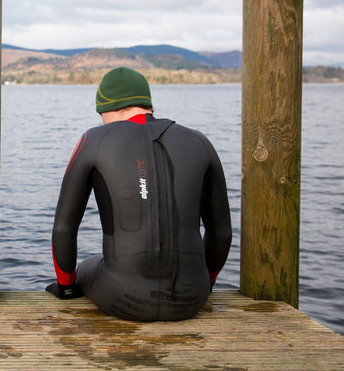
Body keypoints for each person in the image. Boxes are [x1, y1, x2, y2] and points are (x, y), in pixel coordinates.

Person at [46, 67, 231, 321]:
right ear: (147, 104)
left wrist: (66, 287)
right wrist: (205, 285)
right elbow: (221, 232)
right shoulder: (199, 141)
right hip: (193, 298)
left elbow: (64, 228)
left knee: (89, 265)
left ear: (107, 107)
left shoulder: (93, 139)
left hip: (123, 299)